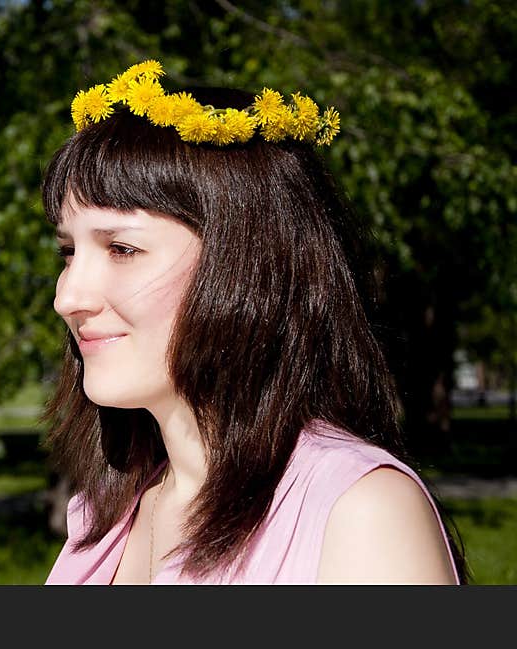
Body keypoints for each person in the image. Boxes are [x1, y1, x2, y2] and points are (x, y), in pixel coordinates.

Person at [40, 61, 465, 585]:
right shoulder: (105, 517)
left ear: (247, 263)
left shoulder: (357, 515)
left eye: (122, 248)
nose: (68, 296)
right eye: (68, 251)